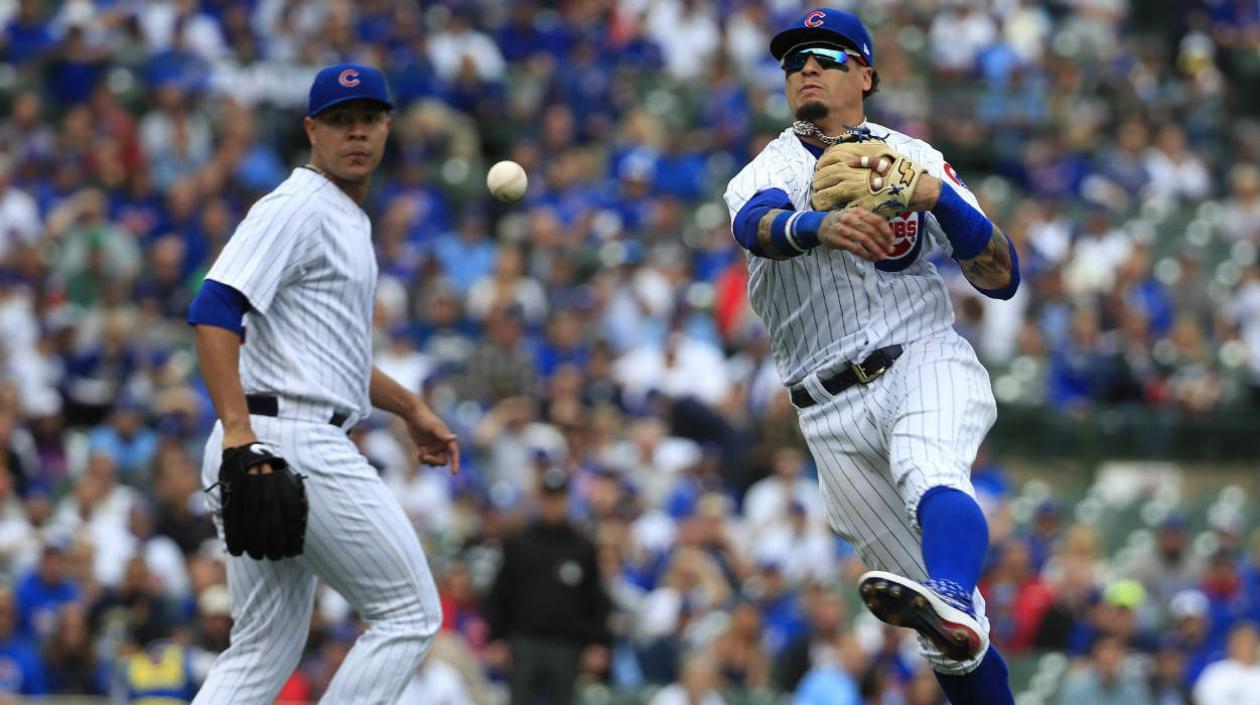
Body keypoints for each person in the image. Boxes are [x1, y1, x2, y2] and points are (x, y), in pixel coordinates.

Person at [721, 8, 1021, 703]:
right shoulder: (769, 167)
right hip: (826, 412)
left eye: (824, 56)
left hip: (921, 354)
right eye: (794, 61)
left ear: (865, 73)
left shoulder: (914, 156)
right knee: (952, 638)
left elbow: (1001, 275)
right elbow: (755, 224)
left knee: (930, 470)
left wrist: (938, 197)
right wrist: (821, 225)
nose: (806, 69)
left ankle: (947, 586)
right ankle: (952, 607)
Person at [185, 63, 459, 705]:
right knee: (408, 614)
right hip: (286, 439)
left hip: (283, 426)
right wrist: (238, 433)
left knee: (261, 650)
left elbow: (331, 358)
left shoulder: (344, 217)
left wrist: (410, 407)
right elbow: (214, 308)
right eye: (340, 121)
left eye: (368, 119)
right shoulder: (299, 205)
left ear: (388, 127)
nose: (356, 133)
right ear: (312, 130)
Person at [485, 468, 611, 705]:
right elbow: (500, 593)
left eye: (559, 498)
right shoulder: (519, 544)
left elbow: (595, 599)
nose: (554, 504)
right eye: (549, 497)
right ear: (540, 499)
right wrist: (497, 637)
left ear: (568, 500)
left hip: (567, 645)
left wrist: (597, 642)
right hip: (524, 641)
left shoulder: (582, 547)